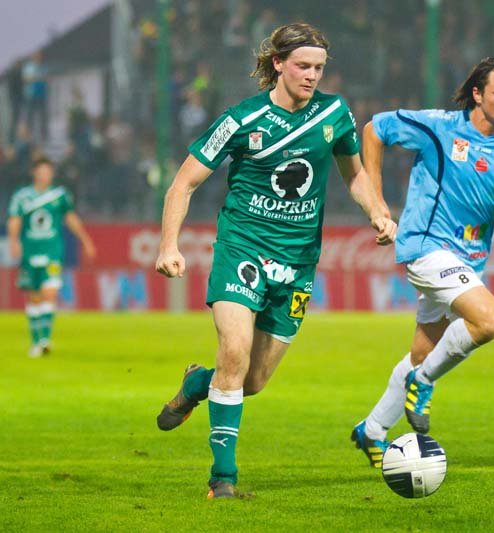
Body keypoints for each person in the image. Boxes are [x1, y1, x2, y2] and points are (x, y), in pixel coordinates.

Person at [153, 23, 396, 499]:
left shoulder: (334, 113)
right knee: (235, 349)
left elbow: (354, 175)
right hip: (242, 248)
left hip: (298, 262)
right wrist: (168, 245)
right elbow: (183, 183)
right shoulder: (241, 120)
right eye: (303, 66)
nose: (311, 76)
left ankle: (197, 385)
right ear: (279, 63)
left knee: (253, 380)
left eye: (319, 68)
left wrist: (377, 212)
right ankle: (223, 479)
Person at [351, 56, 494, 468]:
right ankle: (423, 384)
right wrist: (377, 203)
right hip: (425, 245)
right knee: (489, 320)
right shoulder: (441, 128)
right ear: (477, 94)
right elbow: (373, 130)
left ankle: (373, 429)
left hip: (469, 259)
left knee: (422, 353)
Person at [6, 156, 96, 357]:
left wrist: (85, 240)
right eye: (41, 171)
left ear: (52, 174)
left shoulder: (59, 196)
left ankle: (45, 340)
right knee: (34, 296)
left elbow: (70, 218)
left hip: (52, 251)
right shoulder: (22, 196)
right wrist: (13, 241)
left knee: (50, 292)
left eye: (47, 172)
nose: (44, 175)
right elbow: (14, 219)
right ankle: (36, 341)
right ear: (34, 173)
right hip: (30, 251)